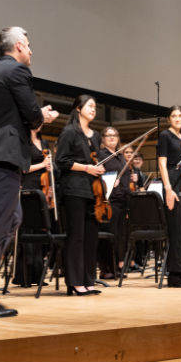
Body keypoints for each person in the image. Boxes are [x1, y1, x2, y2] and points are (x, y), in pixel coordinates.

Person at [0, 27, 58, 319]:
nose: (31, 51)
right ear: (18, 46)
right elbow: (31, 115)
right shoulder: (17, 72)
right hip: (1, 158)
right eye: (28, 46)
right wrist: (45, 115)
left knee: (12, 218)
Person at [55, 95, 105, 295]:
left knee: (91, 237)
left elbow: (97, 160)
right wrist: (86, 168)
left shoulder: (96, 136)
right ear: (78, 108)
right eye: (90, 106)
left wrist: (98, 169)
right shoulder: (69, 132)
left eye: (95, 106)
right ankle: (75, 281)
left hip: (94, 191)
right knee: (76, 237)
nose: (93, 109)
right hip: (74, 189)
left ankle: (88, 278)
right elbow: (62, 160)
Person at [157, 106, 181, 288]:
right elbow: (162, 163)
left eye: (180, 115)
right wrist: (167, 189)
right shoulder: (165, 136)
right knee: (176, 231)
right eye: (174, 116)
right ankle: (175, 275)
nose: (177, 118)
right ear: (168, 119)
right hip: (172, 185)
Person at [12, 124, 52, 287]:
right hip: (28, 188)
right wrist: (43, 164)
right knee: (27, 231)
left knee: (39, 232)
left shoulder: (44, 143)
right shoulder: (22, 142)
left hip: (42, 189)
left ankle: (38, 274)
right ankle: (24, 276)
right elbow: (22, 167)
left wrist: (50, 184)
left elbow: (48, 168)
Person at [97, 126, 130, 280]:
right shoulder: (101, 155)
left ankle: (118, 264)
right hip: (110, 201)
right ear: (103, 139)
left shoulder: (120, 156)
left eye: (114, 135)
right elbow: (98, 176)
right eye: (108, 135)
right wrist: (108, 180)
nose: (112, 138)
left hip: (123, 200)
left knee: (121, 236)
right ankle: (106, 268)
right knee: (110, 235)